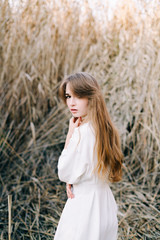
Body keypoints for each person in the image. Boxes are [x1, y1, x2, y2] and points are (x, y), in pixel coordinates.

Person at [54, 72, 123, 240]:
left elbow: (64, 172)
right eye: (69, 96)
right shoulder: (105, 129)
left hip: (85, 207)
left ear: (91, 98)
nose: (71, 102)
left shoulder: (81, 133)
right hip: (104, 203)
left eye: (78, 96)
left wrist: (70, 133)